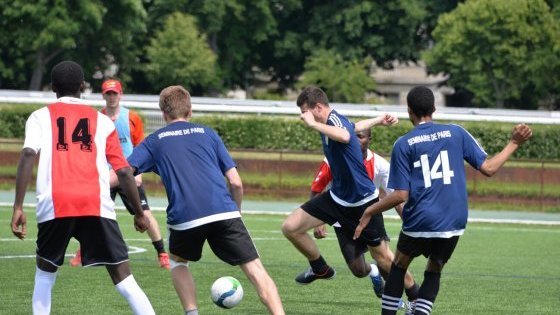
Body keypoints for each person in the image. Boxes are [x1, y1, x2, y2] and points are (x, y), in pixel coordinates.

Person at [354, 86, 533, 315]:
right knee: (435, 267)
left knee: (398, 266)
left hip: (422, 218)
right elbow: (489, 168)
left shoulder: (404, 143)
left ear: (409, 111)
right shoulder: (456, 132)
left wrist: (369, 211)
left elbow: (400, 195)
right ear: (434, 108)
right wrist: (514, 142)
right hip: (454, 219)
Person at [10, 61, 155, 315]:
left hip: (56, 203)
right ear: (83, 86)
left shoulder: (39, 116)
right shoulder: (102, 121)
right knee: (124, 279)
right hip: (95, 204)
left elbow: (27, 155)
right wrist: (139, 213)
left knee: (45, 276)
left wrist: (19, 206)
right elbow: (123, 171)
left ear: (53, 87)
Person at [127, 85, 285, 315]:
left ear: (163, 114)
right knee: (255, 270)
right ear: (190, 111)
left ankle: (192, 313)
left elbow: (123, 174)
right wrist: (236, 213)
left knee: (179, 262)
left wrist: (137, 212)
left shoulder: (155, 140)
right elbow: (236, 182)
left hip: (185, 217)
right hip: (224, 211)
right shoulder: (208, 133)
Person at [281, 86, 418, 305]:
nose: (303, 116)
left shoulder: (332, 122)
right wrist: (379, 119)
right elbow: (354, 127)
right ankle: (320, 268)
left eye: (305, 111)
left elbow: (345, 134)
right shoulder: (332, 121)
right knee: (290, 227)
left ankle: (415, 297)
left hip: (363, 203)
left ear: (318, 107)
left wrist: (313, 124)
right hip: (336, 200)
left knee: (383, 258)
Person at [309, 128, 418, 303]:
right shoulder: (334, 159)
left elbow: (397, 198)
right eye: (353, 137)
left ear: (369, 139)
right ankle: (374, 274)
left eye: (360, 136)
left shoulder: (380, 165)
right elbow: (317, 188)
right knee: (358, 270)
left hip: (370, 216)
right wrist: (317, 222)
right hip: (342, 219)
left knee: (386, 264)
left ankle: (409, 299)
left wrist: (410, 222)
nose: (356, 140)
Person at [70, 79, 170, 269]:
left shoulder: (132, 117)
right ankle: (83, 251)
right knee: (91, 213)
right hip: (105, 175)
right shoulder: (97, 117)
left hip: (127, 173)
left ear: (120, 94)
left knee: (145, 214)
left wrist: (138, 171)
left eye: (114, 93)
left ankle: (162, 253)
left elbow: (141, 146)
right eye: (108, 94)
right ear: (103, 96)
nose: (112, 97)